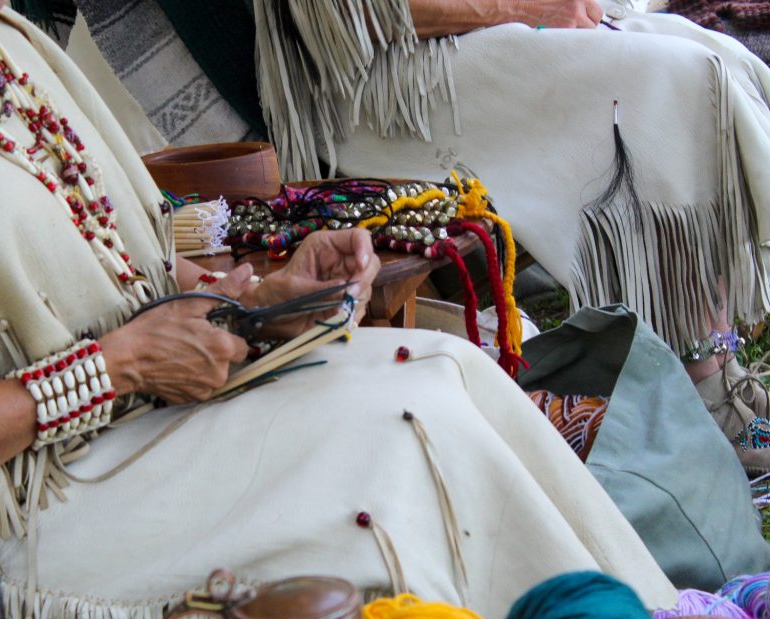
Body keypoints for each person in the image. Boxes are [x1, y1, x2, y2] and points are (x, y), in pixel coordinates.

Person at [0, 0, 681, 619]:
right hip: (1, 523)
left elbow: (102, 274)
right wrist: (114, 368)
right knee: (396, 437)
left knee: (442, 368)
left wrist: (259, 293)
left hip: (115, 429)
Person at [252, 0, 770, 457]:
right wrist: (522, 7)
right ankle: (705, 391)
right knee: (675, 79)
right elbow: (350, 17)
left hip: (485, 32)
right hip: (387, 78)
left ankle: (709, 367)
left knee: (719, 59)